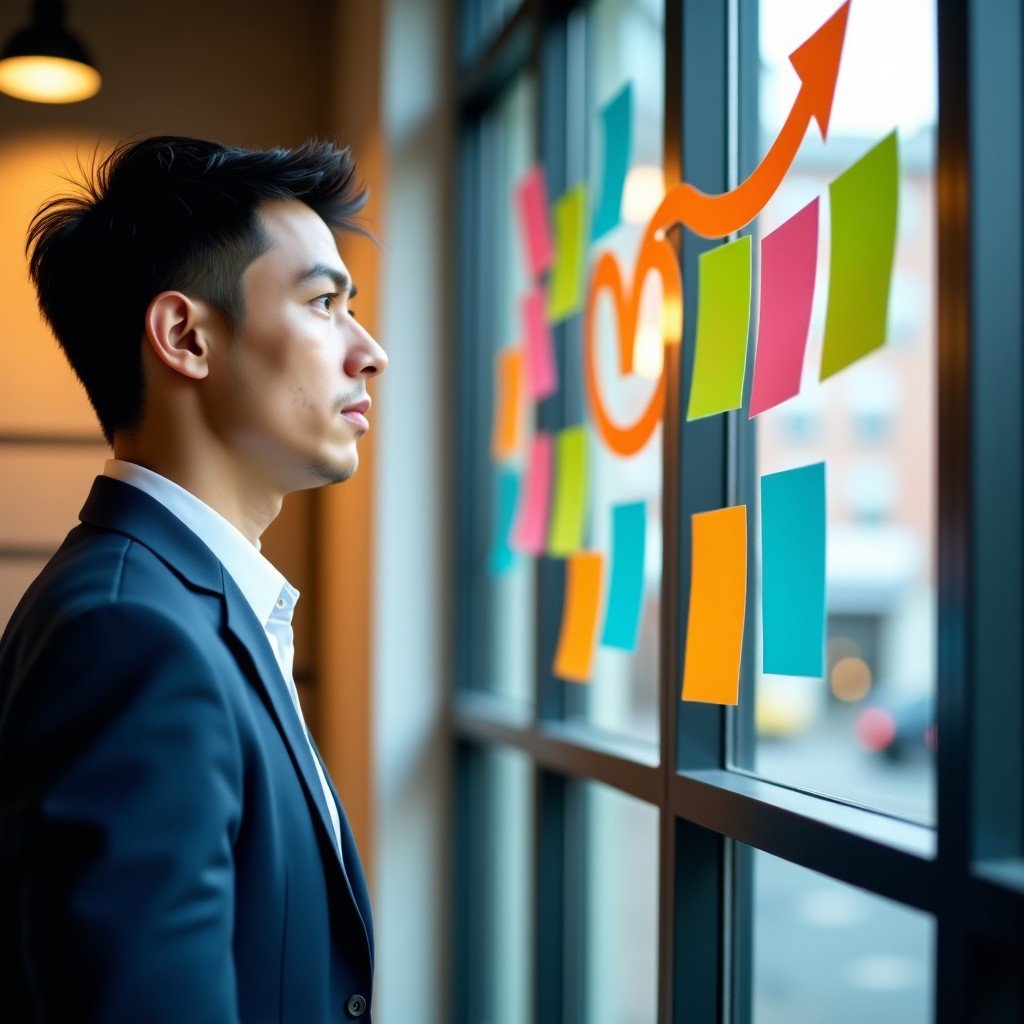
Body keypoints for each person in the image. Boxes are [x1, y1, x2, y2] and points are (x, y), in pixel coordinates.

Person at [0, 134, 387, 1022]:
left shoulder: (160, 602)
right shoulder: (130, 632)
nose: (370, 352)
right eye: (325, 302)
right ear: (185, 337)